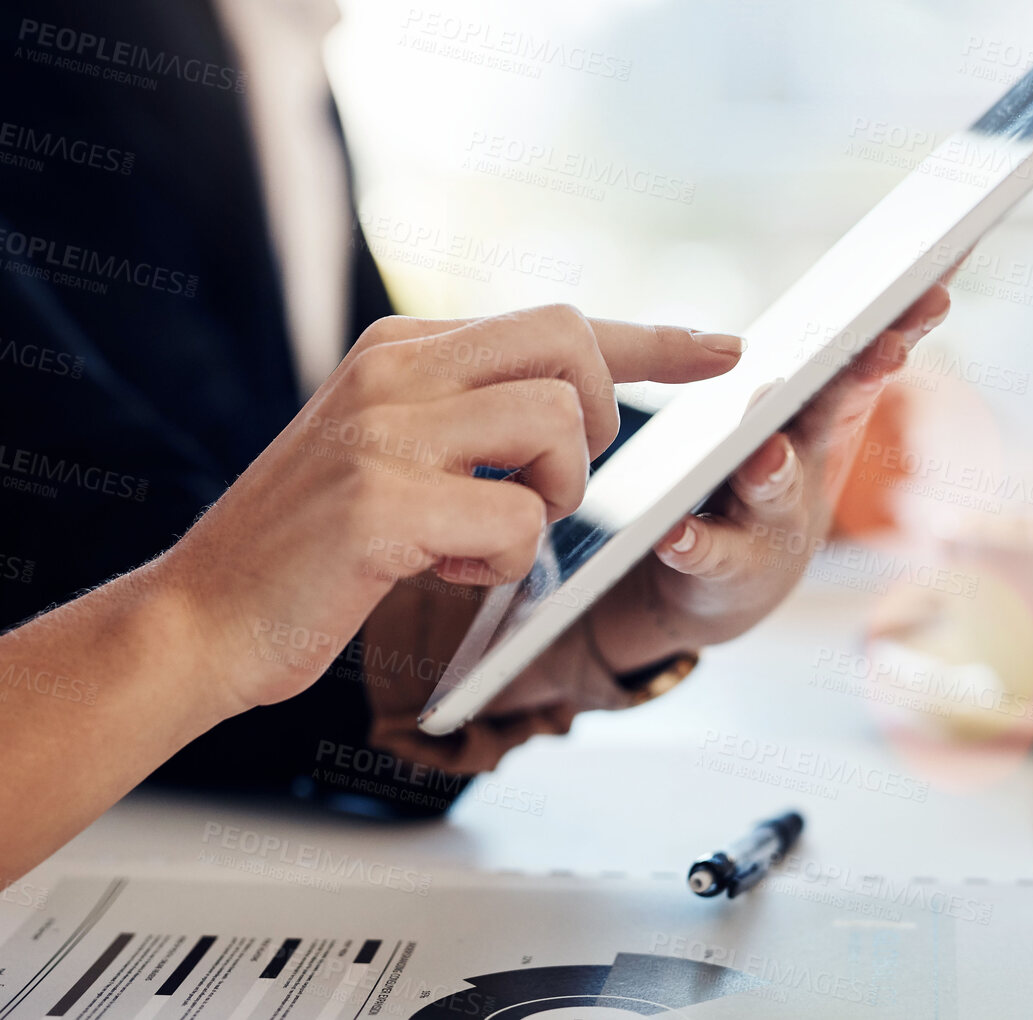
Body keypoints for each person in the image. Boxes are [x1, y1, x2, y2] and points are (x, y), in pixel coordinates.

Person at [0, 0, 950, 884]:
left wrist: (678, 505)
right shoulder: (82, 39)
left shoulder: (278, 41)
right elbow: (136, 556)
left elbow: (333, 484)